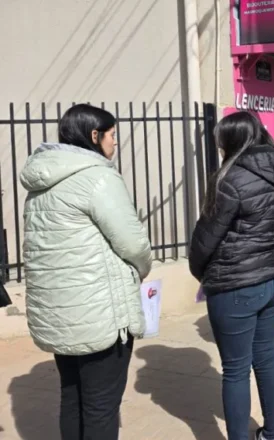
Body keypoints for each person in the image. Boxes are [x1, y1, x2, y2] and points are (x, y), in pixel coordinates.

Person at [20, 104, 152, 440]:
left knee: (72, 398)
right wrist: (142, 269)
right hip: (99, 313)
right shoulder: (99, 177)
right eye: (112, 135)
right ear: (94, 135)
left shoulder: (39, 183)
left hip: (60, 313)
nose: (115, 142)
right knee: (101, 407)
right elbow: (133, 243)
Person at [190, 112, 274, 440]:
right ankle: (273, 433)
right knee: (265, 357)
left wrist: (201, 273)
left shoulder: (230, 179)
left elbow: (205, 239)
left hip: (237, 283)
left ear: (231, 140)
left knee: (236, 369)